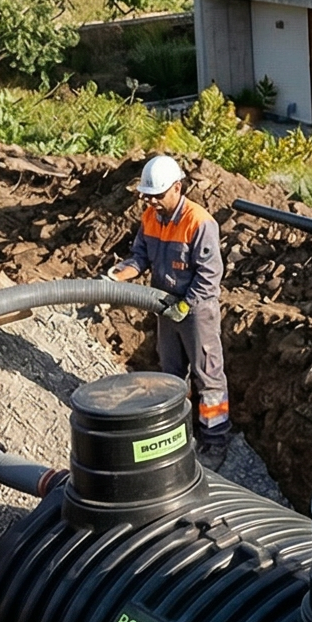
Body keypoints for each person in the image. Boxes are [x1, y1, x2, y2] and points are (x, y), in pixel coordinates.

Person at [108, 154, 233, 451]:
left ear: (177, 187)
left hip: (197, 312)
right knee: (170, 374)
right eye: (147, 196)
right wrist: (119, 274)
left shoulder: (199, 222)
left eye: (158, 195)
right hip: (165, 306)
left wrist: (186, 305)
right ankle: (176, 431)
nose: (152, 202)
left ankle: (215, 438)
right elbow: (140, 256)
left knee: (208, 377)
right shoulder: (150, 217)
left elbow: (210, 275)